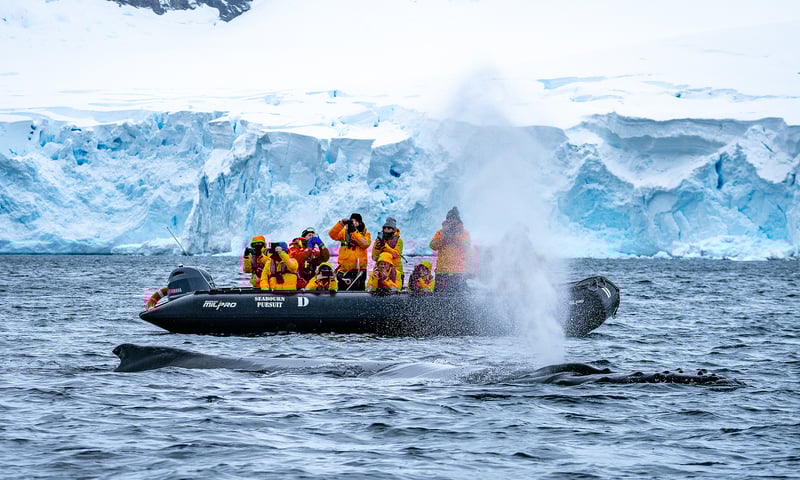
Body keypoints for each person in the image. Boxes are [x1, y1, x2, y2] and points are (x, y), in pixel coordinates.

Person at [429, 206, 471, 293]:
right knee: (439, 297)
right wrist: (444, 236)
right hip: (442, 271)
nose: (451, 221)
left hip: (458, 272)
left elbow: (466, 246)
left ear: (457, 220)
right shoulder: (440, 233)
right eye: (449, 219)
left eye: (453, 219)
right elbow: (432, 245)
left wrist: (455, 235)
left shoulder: (464, 233)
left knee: (458, 297)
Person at [329, 213, 371, 291]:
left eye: (356, 221)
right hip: (344, 270)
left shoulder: (366, 234)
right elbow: (332, 235)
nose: (353, 223)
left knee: (359, 291)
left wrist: (354, 231)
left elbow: (365, 244)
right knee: (342, 291)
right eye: (352, 221)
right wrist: (341, 223)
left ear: (360, 222)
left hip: (359, 271)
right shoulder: (344, 232)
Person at [372, 217, 405, 288]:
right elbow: (374, 257)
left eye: (389, 228)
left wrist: (384, 246)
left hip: (396, 271)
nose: (386, 230)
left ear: (393, 229)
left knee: (396, 291)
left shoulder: (399, 241)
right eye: (385, 228)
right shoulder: (379, 240)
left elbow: (396, 254)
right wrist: (377, 247)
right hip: (382, 270)